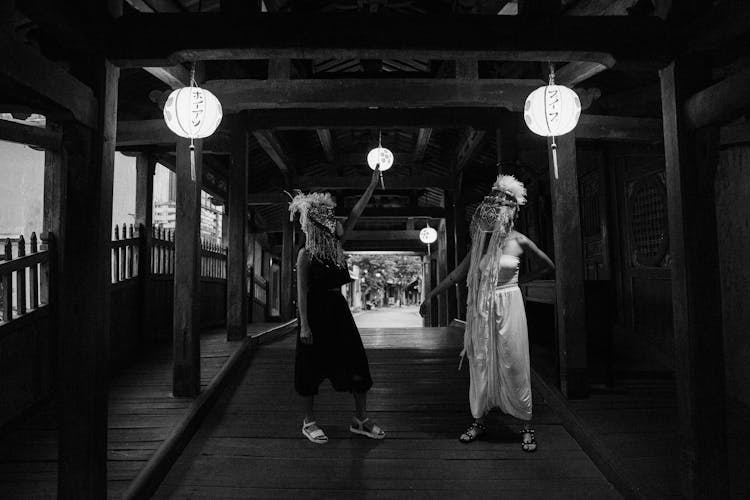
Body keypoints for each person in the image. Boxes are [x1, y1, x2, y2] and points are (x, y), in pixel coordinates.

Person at [420, 174, 554, 451]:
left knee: (514, 360)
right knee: (480, 360)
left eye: (498, 210)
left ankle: (526, 425)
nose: (493, 215)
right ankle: (479, 420)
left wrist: (520, 283)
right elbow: (458, 274)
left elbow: (547, 266)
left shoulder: (520, 241)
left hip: (510, 303)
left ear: (508, 213)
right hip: (482, 305)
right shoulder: (481, 242)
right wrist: (431, 295)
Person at [289, 167, 386, 444]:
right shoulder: (306, 254)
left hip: (338, 309)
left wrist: (370, 187)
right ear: (314, 222)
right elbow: (303, 292)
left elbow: (354, 215)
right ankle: (308, 422)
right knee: (310, 366)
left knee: (356, 360)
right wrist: (304, 325)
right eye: (327, 216)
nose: (334, 220)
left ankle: (361, 419)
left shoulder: (335, 245)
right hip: (315, 314)